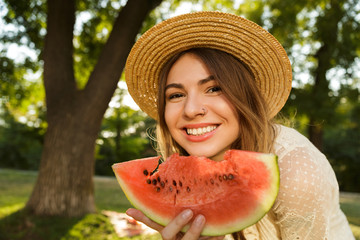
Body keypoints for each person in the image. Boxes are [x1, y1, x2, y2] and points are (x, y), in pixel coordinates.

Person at [123, 11, 354, 240]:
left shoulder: (295, 169)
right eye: (175, 95)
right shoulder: (191, 165)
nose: (191, 109)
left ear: (245, 97)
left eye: (213, 88)